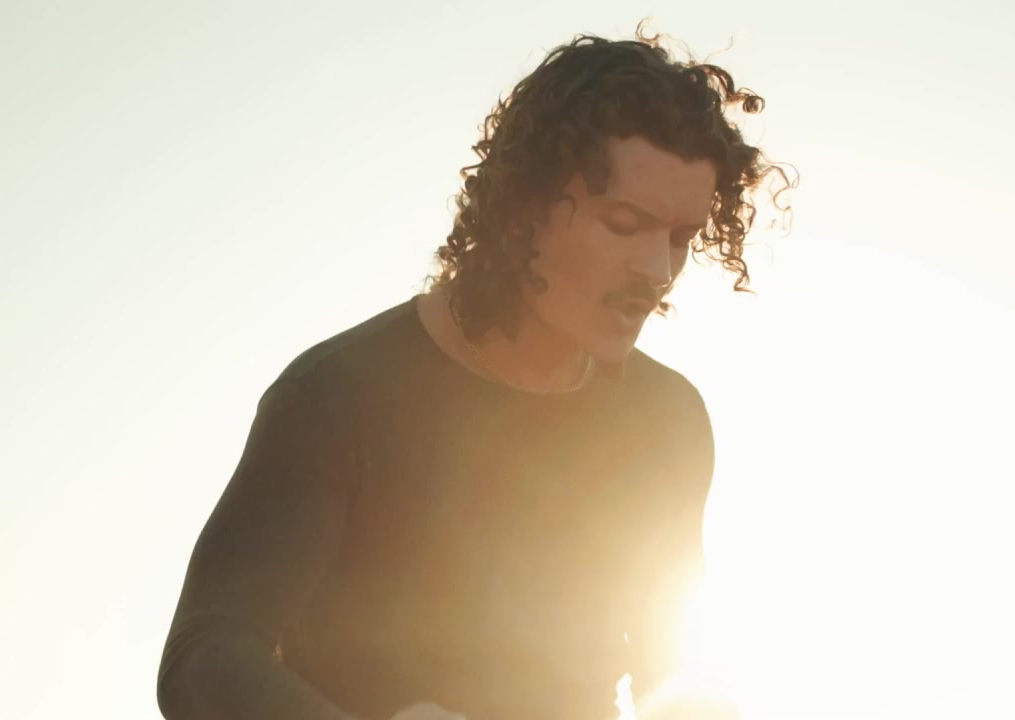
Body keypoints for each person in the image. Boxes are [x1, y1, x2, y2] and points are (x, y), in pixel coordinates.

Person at [156, 22, 786, 720]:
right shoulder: (335, 398)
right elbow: (206, 655)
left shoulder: (667, 420)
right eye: (624, 224)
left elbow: (673, 678)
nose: (657, 270)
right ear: (524, 207)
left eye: (680, 237)